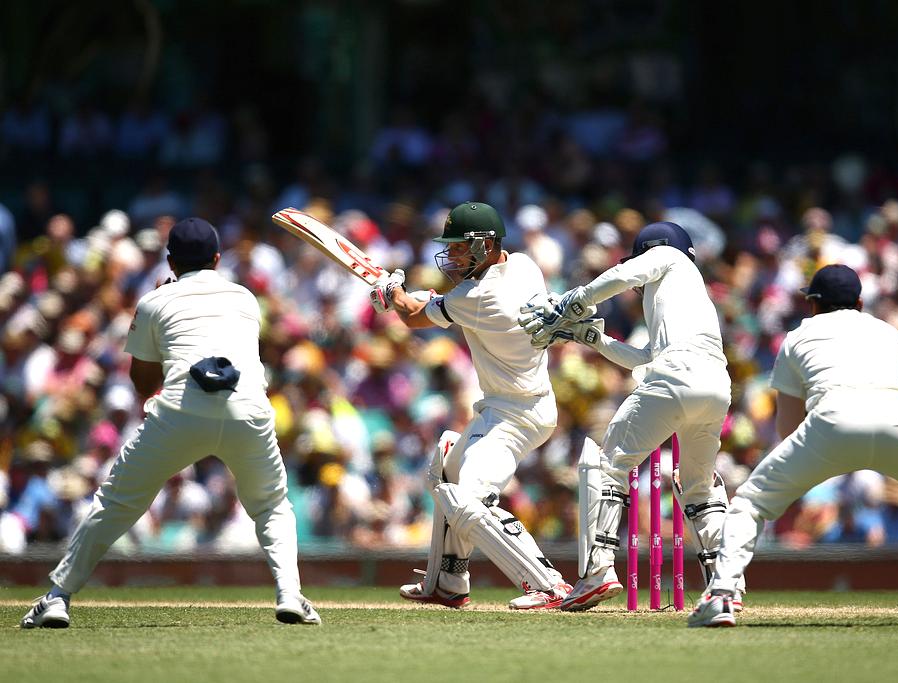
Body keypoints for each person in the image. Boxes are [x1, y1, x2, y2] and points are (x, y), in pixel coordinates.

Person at [21, 218, 320, 629]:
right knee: (270, 505)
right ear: (217, 259)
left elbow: (143, 382)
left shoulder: (153, 301)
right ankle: (290, 595)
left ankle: (57, 598)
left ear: (170, 261)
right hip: (248, 408)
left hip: (181, 408)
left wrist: (159, 317)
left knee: (115, 503)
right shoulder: (247, 298)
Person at [688, 264, 898, 627]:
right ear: (859, 302)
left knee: (749, 503)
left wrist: (808, 465)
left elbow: (789, 426)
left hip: (832, 420)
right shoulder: (889, 332)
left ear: (812, 304)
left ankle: (722, 596)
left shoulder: (798, 335)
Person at [522, 221, 741, 611]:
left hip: (677, 377)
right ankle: (726, 587)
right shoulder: (688, 296)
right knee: (699, 487)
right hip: (716, 388)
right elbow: (644, 360)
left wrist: (572, 301)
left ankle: (596, 573)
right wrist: (591, 337)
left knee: (607, 466)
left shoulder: (667, 255)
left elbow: (624, 274)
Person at [369, 201, 571, 609]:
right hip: (517, 404)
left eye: (461, 247)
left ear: (486, 244)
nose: (453, 255)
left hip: (517, 414)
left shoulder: (480, 297)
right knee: (447, 467)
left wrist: (391, 292)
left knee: (470, 496)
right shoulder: (524, 266)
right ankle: (448, 581)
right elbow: (445, 303)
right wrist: (411, 296)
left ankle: (549, 584)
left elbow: (412, 317)